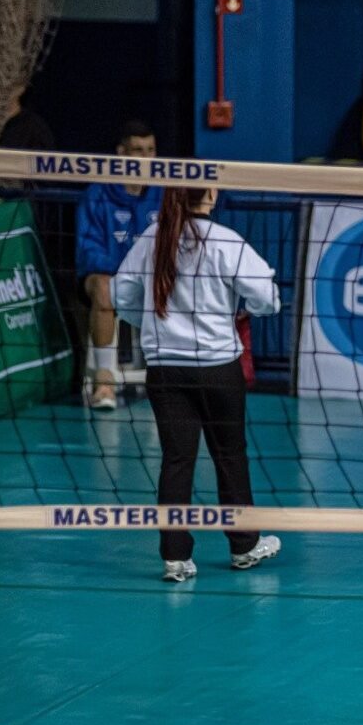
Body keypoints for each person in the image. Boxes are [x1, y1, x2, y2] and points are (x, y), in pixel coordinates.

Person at [112, 187, 283, 582]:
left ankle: (174, 556)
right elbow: (268, 298)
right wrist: (242, 310)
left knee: (176, 459)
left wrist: (153, 325)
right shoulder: (225, 240)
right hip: (216, 368)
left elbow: (119, 293)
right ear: (211, 192)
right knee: (230, 456)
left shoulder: (151, 239)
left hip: (165, 368)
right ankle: (243, 545)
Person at [75, 121, 162, 410]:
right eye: (138, 150)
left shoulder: (164, 194)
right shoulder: (97, 194)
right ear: (121, 152)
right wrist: (124, 271)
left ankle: (168, 379)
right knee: (102, 286)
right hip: (107, 278)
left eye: (151, 150)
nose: (146, 157)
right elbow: (88, 250)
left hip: (149, 281)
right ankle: (104, 382)